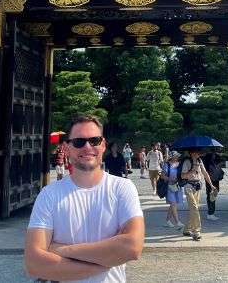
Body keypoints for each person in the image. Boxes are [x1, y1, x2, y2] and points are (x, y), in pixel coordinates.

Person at [25, 115, 145, 282]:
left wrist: (61, 250)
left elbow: (132, 247)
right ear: (67, 148)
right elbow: (34, 264)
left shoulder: (122, 188)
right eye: (79, 142)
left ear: (103, 145)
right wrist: (107, 260)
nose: (87, 147)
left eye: (94, 140)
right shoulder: (49, 195)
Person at [179, 148, 215, 241]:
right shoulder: (187, 162)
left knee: (194, 209)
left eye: (199, 152)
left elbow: (205, 173)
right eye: (196, 152)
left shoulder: (200, 161)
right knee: (194, 208)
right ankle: (197, 231)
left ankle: (187, 229)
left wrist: (211, 185)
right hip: (189, 186)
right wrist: (192, 170)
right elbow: (183, 176)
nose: (198, 153)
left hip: (198, 186)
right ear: (191, 153)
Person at [160, 151, 185, 229]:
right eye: (176, 156)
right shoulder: (166, 164)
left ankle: (167, 221)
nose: (177, 157)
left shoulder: (179, 164)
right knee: (173, 203)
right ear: (172, 157)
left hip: (177, 186)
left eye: (178, 156)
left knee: (173, 204)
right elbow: (162, 176)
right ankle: (177, 222)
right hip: (169, 187)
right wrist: (170, 178)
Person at [202, 151, 224, 221]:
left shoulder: (205, 157)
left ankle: (210, 212)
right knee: (212, 195)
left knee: (210, 195)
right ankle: (210, 213)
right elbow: (221, 163)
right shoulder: (216, 156)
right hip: (214, 178)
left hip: (209, 178)